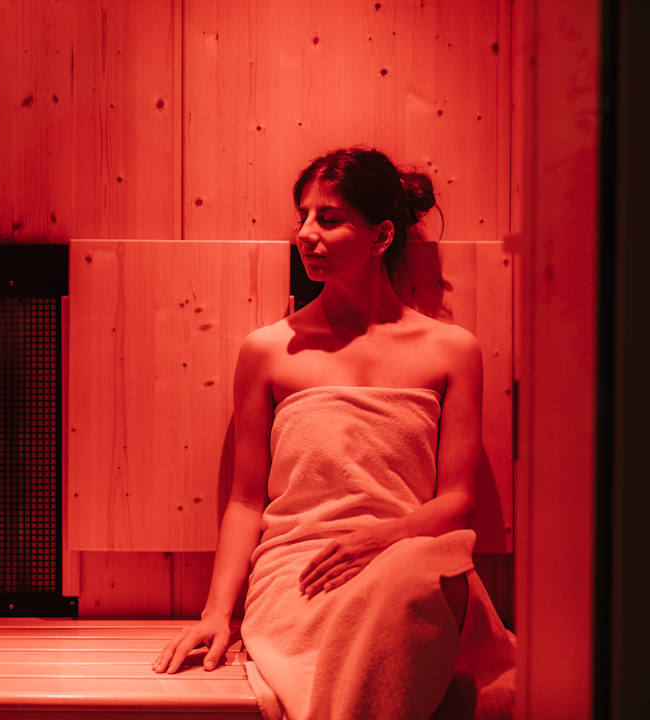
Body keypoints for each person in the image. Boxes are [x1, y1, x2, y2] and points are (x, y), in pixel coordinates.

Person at [151, 147, 515, 720]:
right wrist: (216, 613)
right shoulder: (269, 350)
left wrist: (382, 539)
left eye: (328, 218)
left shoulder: (452, 350)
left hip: (409, 560)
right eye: (302, 217)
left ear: (381, 236)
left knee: (428, 578)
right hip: (304, 573)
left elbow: (457, 501)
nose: (305, 234)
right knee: (434, 625)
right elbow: (246, 502)